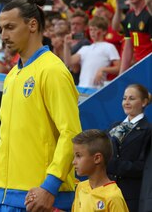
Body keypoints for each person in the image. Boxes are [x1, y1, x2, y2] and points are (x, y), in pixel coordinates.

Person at [0, 0, 82, 212]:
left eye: (10, 27)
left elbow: (71, 133)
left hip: (40, 198)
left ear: (32, 25)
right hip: (3, 195)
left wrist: (50, 186)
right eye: (1, 29)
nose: (3, 36)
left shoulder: (53, 70)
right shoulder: (12, 75)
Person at [107, 84, 152, 212]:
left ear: (144, 102)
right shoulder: (114, 127)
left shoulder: (148, 130)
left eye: (131, 99)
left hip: (131, 196)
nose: (126, 102)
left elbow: (144, 167)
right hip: (108, 193)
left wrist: (113, 165)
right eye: (124, 98)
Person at [71, 129, 129, 212]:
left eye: (78, 156)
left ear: (97, 158)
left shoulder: (113, 197)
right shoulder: (81, 187)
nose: (73, 162)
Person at [64, 16, 120, 88]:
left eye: (95, 29)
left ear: (104, 31)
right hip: (82, 87)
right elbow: (69, 62)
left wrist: (103, 69)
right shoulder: (85, 48)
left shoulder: (109, 46)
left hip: (97, 89)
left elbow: (118, 67)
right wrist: (66, 45)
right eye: (90, 30)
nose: (92, 32)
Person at [117, 0, 152, 73]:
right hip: (139, 66)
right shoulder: (129, 15)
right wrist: (121, 75)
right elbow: (128, 48)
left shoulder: (149, 14)